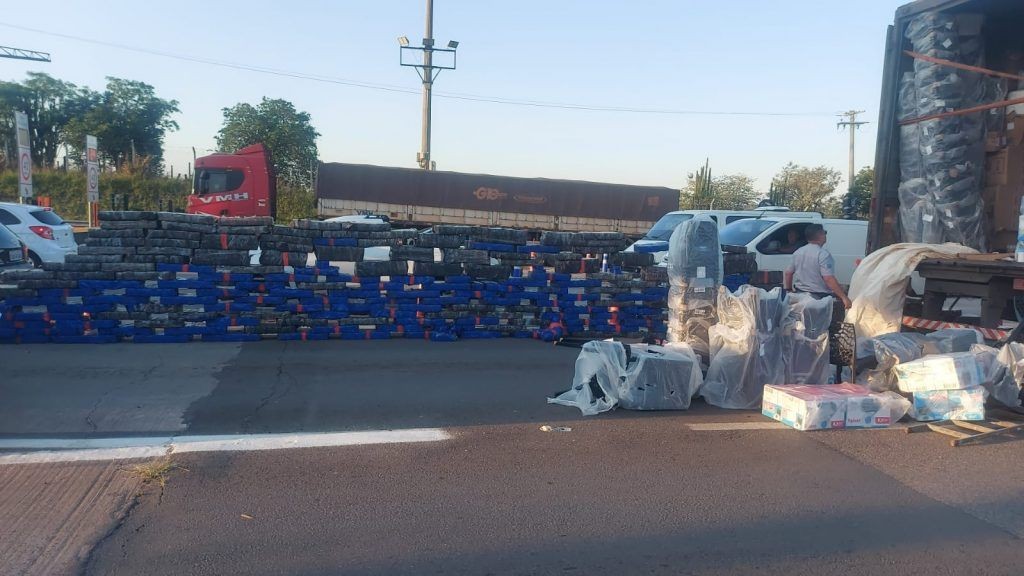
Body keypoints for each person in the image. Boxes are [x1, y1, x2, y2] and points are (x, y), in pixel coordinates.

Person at [783, 224, 852, 309]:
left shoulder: (798, 252)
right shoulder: (823, 254)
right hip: (819, 298)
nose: (826, 235)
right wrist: (844, 298)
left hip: (799, 294)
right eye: (825, 233)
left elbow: (788, 273)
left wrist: (789, 290)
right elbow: (828, 279)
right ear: (820, 235)